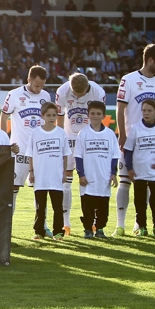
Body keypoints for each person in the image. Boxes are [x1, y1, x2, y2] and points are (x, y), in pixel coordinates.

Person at [115, 43, 155, 236]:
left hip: (152, 141)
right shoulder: (128, 80)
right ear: (151, 60)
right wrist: (122, 134)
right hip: (131, 139)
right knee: (125, 181)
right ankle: (120, 225)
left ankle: (140, 224)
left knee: (146, 182)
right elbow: (120, 108)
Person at [55, 72, 106, 235]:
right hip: (69, 137)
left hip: (88, 138)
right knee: (66, 180)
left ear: (87, 88)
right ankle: (66, 222)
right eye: (74, 94)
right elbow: (60, 116)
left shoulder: (98, 92)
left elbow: (99, 119)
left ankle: (92, 222)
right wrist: (62, 137)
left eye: (80, 94)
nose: (76, 97)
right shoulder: (62, 91)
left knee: (89, 179)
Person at [2, 65, 52, 215]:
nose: (39, 89)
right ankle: (8, 224)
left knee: (41, 189)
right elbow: (4, 117)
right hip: (19, 150)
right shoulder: (14, 94)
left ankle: (42, 225)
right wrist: (5, 142)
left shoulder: (46, 96)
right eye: (36, 85)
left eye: (42, 86)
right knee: (13, 188)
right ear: (28, 79)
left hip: (40, 151)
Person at [124, 98, 155, 237]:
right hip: (139, 171)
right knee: (140, 202)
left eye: (149, 110)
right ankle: (142, 227)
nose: (146, 113)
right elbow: (128, 150)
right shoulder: (135, 128)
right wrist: (130, 168)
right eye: (144, 110)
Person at [25, 102, 71, 240]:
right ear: (42, 116)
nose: (52, 118)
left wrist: (64, 172)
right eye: (48, 115)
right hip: (40, 176)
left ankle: (58, 232)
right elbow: (31, 155)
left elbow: (65, 155)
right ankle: (39, 231)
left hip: (55, 176)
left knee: (57, 207)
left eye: (54, 115)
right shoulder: (36, 133)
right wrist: (31, 172)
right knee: (40, 207)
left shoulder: (61, 132)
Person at [74, 100, 119, 239]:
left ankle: (100, 229)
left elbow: (115, 155)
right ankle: (87, 229)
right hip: (88, 177)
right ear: (88, 115)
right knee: (87, 205)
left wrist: (113, 173)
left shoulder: (110, 134)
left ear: (103, 115)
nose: (95, 116)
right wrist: (81, 174)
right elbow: (78, 156)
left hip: (103, 177)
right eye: (92, 113)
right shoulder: (83, 133)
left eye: (98, 113)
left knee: (103, 206)